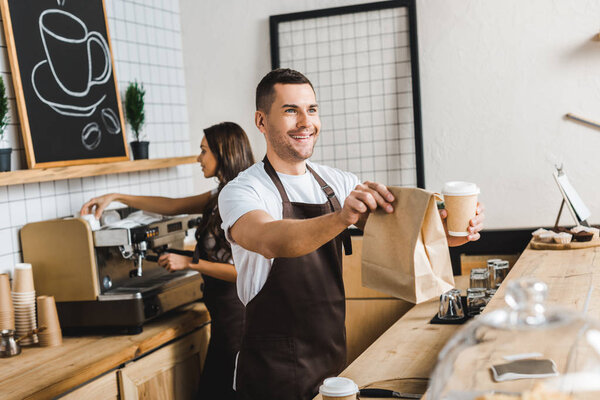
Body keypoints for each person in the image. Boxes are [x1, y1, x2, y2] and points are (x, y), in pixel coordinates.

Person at [218, 69, 485, 400]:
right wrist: (341, 217)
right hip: (269, 376)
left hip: (332, 362)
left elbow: (405, 235)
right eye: (291, 110)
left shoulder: (336, 183)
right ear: (261, 121)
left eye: (312, 109)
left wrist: (454, 232)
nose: (305, 122)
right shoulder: (242, 190)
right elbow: (270, 239)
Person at [80, 122, 255, 400]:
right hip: (223, 320)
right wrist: (117, 196)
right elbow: (172, 205)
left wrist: (189, 264)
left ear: (223, 152)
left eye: (203, 151)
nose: (198, 158)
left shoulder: (239, 198)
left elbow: (242, 271)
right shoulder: (220, 194)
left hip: (238, 322)